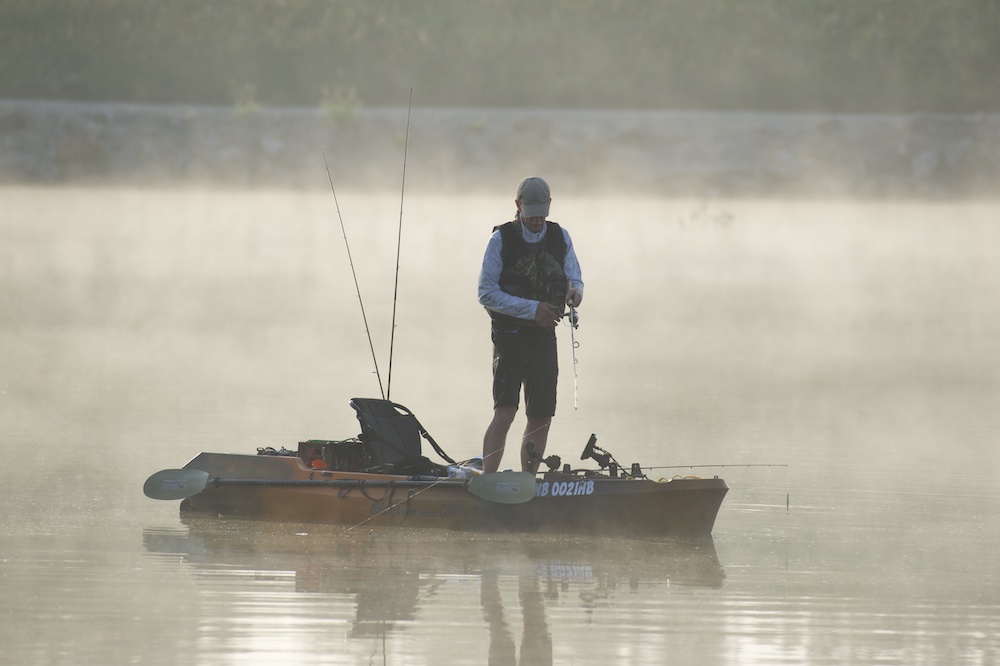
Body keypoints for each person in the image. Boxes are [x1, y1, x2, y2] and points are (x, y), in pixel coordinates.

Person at [478, 176, 584, 474]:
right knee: (506, 411)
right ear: (517, 206)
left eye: (542, 213)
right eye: (531, 213)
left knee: (541, 415)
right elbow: (485, 293)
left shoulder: (560, 237)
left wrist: (575, 292)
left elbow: (575, 277)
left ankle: (528, 482)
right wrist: (532, 309)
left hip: (543, 337)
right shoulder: (501, 239)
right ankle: (489, 479)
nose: (537, 220)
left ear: (550, 206)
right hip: (509, 336)